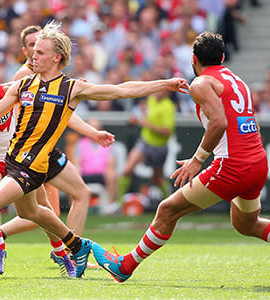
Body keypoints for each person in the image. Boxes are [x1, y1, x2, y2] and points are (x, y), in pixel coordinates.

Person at [0, 21, 188, 278]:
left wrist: (165, 83)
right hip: (13, 162)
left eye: (41, 52)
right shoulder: (22, 85)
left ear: (57, 57)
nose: (34, 56)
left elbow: (121, 90)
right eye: (34, 50)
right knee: (33, 214)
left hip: (31, 167)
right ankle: (78, 246)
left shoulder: (71, 88)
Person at [91, 31, 270, 283]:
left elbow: (218, 122)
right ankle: (125, 265)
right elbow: (248, 122)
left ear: (193, 59)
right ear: (222, 57)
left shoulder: (201, 83)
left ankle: (125, 266)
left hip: (233, 166)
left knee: (166, 210)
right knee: (247, 225)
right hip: (257, 162)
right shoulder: (236, 80)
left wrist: (198, 159)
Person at [0, 25, 109, 271]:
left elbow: (63, 111)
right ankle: (66, 251)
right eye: (34, 46)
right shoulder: (24, 78)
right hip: (26, 151)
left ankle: (68, 251)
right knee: (42, 211)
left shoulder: (55, 80)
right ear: (26, 49)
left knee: (73, 197)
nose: (37, 51)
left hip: (45, 148)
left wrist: (92, 131)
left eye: (42, 46)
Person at [117, 87, 175, 206]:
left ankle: (170, 204)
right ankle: (119, 204)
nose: (157, 92)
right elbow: (142, 111)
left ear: (167, 93)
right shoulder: (151, 99)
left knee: (157, 179)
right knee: (127, 170)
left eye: (161, 90)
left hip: (159, 147)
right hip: (145, 142)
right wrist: (136, 118)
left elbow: (167, 132)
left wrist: (147, 124)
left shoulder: (168, 107)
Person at [72, 118, 119, 215]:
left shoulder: (108, 143)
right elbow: (76, 161)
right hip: (85, 174)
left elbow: (111, 163)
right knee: (72, 173)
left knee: (112, 174)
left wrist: (109, 170)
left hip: (102, 175)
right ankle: (73, 207)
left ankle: (109, 207)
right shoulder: (80, 144)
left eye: (96, 128)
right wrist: (77, 170)